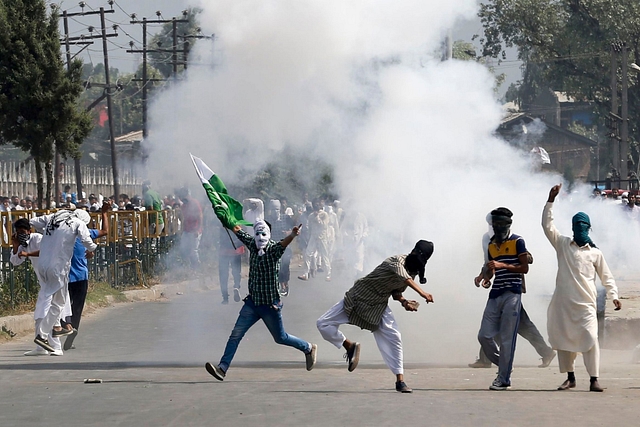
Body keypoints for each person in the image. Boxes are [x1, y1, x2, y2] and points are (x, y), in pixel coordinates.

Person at [317, 240, 434, 393]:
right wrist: (423, 293)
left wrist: (404, 302)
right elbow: (404, 278)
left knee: (394, 337)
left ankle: (400, 380)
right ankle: (349, 346)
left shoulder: (413, 271)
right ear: (412, 251)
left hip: (378, 304)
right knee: (323, 324)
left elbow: (396, 291)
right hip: (358, 297)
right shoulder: (396, 261)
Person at [205, 220, 317, 380]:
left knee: (281, 338)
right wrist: (226, 219)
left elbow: (283, 244)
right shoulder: (252, 244)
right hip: (252, 303)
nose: (259, 236)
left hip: (270, 306)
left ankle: (308, 347)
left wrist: (292, 235)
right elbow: (239, 232)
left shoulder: (273, 250)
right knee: (235, 335)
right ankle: (222, 368)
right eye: (257, 233)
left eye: (263, 233)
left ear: (269, 234)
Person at [543, 184, 622, 392]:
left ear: (588, 228)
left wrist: (614, 295)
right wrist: (550, 201)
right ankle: (570, 377)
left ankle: (594, 378)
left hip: (586, 303)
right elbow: (547, 226)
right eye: (576, 225)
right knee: (564, 340)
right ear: (572, 228)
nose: (579, 228)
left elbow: (607, 277)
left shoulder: (595, 253)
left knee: (590, 338)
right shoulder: (562, 244)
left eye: (583, 225)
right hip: (564, 303)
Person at [470, 213, 555, 369]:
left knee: (520, 325)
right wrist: (483, 276)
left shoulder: (514, 239)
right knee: (511, 323)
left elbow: (526, 259)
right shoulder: (488, 240)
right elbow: (489, 262)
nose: (494, 227)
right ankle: (486, 358)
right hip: (500, 288)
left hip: (512, 288)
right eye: (492, 224)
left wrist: (521, 257)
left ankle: (487, 359)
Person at [29, 208, 101, 353]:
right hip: (58, 267)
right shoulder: (77, 223)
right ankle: (42, 334)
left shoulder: (53, 219)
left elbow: (33, 221)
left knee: (54, 298)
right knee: (59, 302)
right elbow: (88, 242)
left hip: (42, 265)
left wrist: (50, 230)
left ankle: (56, 328)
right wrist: (93, 248)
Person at [477, 207, 529, 391]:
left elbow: (524, 268)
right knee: (484, 335)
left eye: (500, 224)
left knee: (507, 339)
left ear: (507, 225)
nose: (497, 228)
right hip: (495, 294)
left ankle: (503, 378)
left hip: (512, 295)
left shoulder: (518, 242)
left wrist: (502, 265)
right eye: (494, 224)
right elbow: (491, 267)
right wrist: (484, 277)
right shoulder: (491, 244)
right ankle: (504, 365)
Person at [10, 218, 71, 356]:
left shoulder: (38, 238)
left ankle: (57, 347)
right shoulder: (22, 244)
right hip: (44, 284)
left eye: (23, 232)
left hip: (53, 282)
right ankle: (41, 347)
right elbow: (15, 262)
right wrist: (15, 245)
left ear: (29, 231)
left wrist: (28, 254)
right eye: (18, 232)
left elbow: (46, 251)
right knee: (39, 316)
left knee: (47, 315)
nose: (21, 235)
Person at [63, 203, 111, 350]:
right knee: (77, 307)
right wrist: (104, 213)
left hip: (64, 276)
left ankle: (66, 325)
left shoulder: (63, 234)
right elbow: (104, 231)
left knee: (62, 304)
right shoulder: (86, 233)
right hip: (81, 276)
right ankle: (72, 329)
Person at [298, 199, 331, 281]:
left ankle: (328, 274)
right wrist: (309, 237)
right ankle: (306, 273)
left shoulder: (324, 215)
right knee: (308, 254)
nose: (316, 205)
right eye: (314, 204)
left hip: (322, 237)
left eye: (317, 204)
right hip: (313, 237)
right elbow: (310, 227)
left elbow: (324, 226)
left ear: (320, 205)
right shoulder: (310, 216)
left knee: (324, 255)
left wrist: (318, 218)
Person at [177, 188, 203, 267]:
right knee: (183, 248)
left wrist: (198, 229)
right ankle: (187, 265)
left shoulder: (195, 203)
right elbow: (183, 218)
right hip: (186, 230)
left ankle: (196, 266)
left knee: (193, 250)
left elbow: (200, 216)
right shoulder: (184, 205)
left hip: (195, 230)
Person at [218, 225, 244, 304]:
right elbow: (242, 237)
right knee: (236, 272)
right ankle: (236, 286)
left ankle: (225, 297)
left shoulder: (222, 221)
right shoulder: (237, 222)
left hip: (224, 251)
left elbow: (219, 237)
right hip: (236, 250)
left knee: (223, 274)